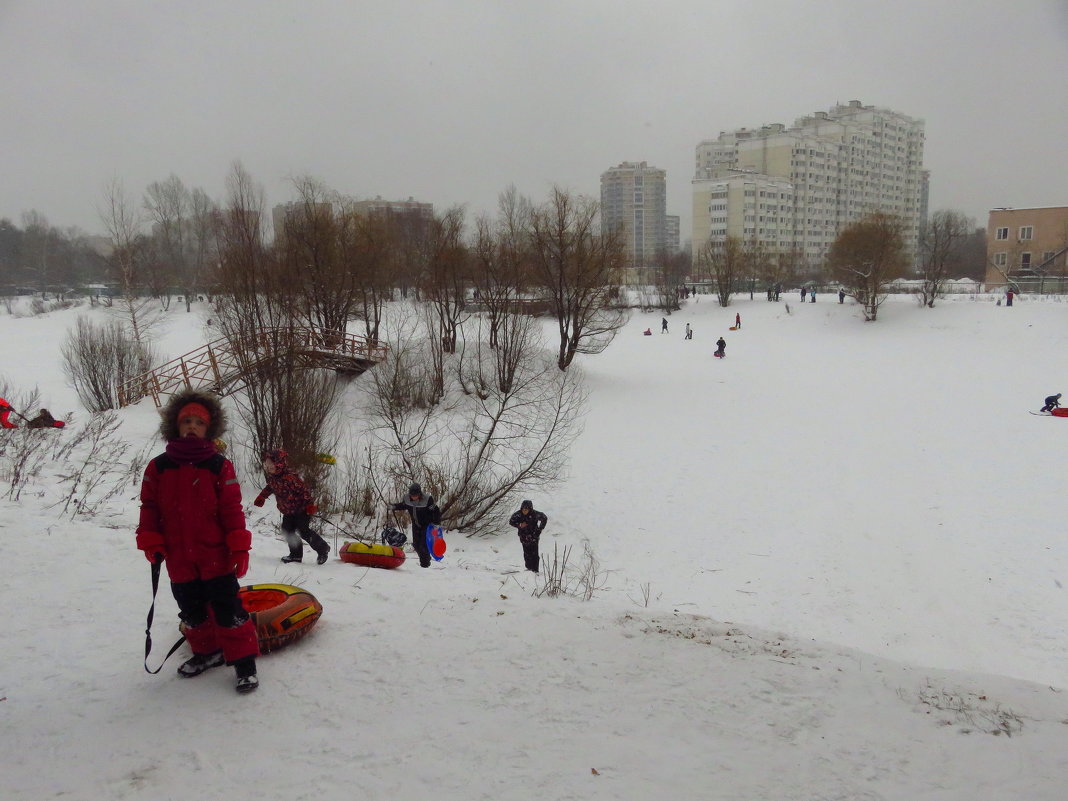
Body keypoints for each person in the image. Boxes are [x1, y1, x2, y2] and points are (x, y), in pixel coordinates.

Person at [135, 389, 259, 693]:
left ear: (209, 429)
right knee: (191, 611)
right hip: (178, 558)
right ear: (175, 426)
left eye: (199, 423)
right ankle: (207, 652)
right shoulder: (159, 466)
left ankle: (244, 664)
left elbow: (231, 509)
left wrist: (239, 546)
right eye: (186, 421)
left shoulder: (218, 465)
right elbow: (149, 507)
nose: (192, 426)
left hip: (214, 554)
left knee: (229, 609)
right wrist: (150, 540)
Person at [254, 449, 330, 565]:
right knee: (288, 531)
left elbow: (305, 491)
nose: (268, 467)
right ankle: (295, 555)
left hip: (301, 510)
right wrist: (262, 496)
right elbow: (270, 487)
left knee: (303, 531)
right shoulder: (273, 477)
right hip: (288, 511)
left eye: (270, 464)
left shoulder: (291, 478)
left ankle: (322, 548)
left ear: (279, 464)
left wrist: (310, 505)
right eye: (266, 464)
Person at [390, 482, 441, 568]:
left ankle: (425, 565)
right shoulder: (407, 499)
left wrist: (436, 524)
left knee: (423, 545)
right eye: (412, 495)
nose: (413, 497)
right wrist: (394, 506)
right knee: (416, 545)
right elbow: (403, 505)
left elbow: (436, 511)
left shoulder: (428, 499)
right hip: (416, 525)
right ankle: (425, 560)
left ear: (420, 494)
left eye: (416, 495)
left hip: (427, 525)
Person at [508, 500, 548, 573]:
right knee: (527, 554)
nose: (524, 511)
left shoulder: (535, 514)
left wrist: (540, 529)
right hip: (523, 537)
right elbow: (511, 521)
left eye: (526, 509)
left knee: (534, 555)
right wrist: (519, 525)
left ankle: (535, 571)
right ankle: (529, 570)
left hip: (534, 537)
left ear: (530, 509)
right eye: (523, 509)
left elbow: (544, 518)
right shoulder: (518, 514)